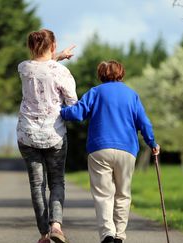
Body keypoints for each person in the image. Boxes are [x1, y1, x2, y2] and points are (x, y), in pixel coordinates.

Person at [60, 60, 160, 243]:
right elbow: (144, 123)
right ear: (121, 73)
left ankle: (108, 233)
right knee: (123, 193)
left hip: (100, 149)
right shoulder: (132, 95)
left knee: (103, 194)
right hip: (127, 150)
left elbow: (77, 113)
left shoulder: (96, 92)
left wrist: (60, 111)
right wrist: (152, 142)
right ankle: (120, 235)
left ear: (101, 75)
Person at [16, 28, 77, 243]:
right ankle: (56, 227)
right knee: (57, 181)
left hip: (27, 135)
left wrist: (57, 56)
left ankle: (44, 233)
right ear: (53, 46)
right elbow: (72, 102)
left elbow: (40, 64)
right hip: (55, 135)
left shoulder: (23, 68)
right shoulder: (61, 72)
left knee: (36, 185)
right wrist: (60, 58)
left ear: (30, 47)